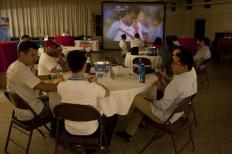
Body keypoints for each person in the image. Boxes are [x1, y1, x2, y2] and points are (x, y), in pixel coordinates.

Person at [117, 47, 197, 141]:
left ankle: (119, 116)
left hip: (164, 117)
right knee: (144, 99)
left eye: (175, 64)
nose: (171, 66)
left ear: (185, 67)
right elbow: (177, 92)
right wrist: (163, 86)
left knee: (134, 96)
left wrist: (151, 101)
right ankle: (129, 132)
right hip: (177, 113)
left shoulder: (177, 84)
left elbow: (163, 106)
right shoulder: (191, 74)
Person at [57, 51, 118, 144]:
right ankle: (104, 143)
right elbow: (107, 93)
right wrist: (96, 82)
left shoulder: (61, 86)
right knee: (113, 115)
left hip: (69, 128)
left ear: (68, 66)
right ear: (85, 66)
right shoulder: (93, 87)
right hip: (91, 129)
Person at [7, 41, 58, 123]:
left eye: (36, 55)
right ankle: (58, 128)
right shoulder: (22, 71)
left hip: (21, 109)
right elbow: (46, 88)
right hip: (32, 112)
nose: (36, 58)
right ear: (22, 54)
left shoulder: (13, 66)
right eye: (32, 55)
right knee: (61, 105)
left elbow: (34, 78)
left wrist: (50, 76)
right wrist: (64, 84)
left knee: (50, 98)